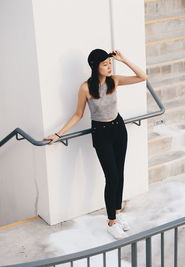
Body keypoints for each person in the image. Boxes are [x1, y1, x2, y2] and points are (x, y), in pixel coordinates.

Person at [43, 49, 148, 240]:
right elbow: (78, 114)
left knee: (120, 173)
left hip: (119, 129)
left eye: (110, 63)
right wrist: (59, 134)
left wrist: (123, 59)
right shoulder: (85, 88)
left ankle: (117, 212)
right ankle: (111, 222)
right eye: (105, 64)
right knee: (112, 176)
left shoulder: (114, 80)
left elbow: (143, 77)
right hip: (101, 134)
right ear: (95, 66)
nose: (109, 67)